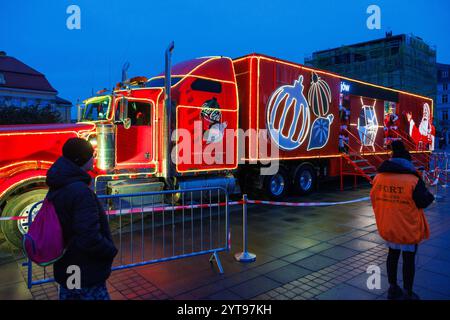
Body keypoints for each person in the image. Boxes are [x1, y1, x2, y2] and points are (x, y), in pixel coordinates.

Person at [46, 137, 118, 300]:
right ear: (81, 159)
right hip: (84, 265)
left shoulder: (60, 184)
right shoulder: (80, 192)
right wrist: (109, 250)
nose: (94, 158)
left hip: (68, 263)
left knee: (71, 293)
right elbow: (89, 236)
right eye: (91, 155)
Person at [370, 140, 434, 300]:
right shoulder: (412, 180)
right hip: (408, 227)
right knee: (408, 258)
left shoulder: (379, 177)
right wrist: (430, 195)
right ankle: (408, 292)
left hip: (389, 225)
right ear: (407, 163)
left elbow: (373, 198)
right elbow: (423, 201)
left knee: (392, 254)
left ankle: (392, 288)